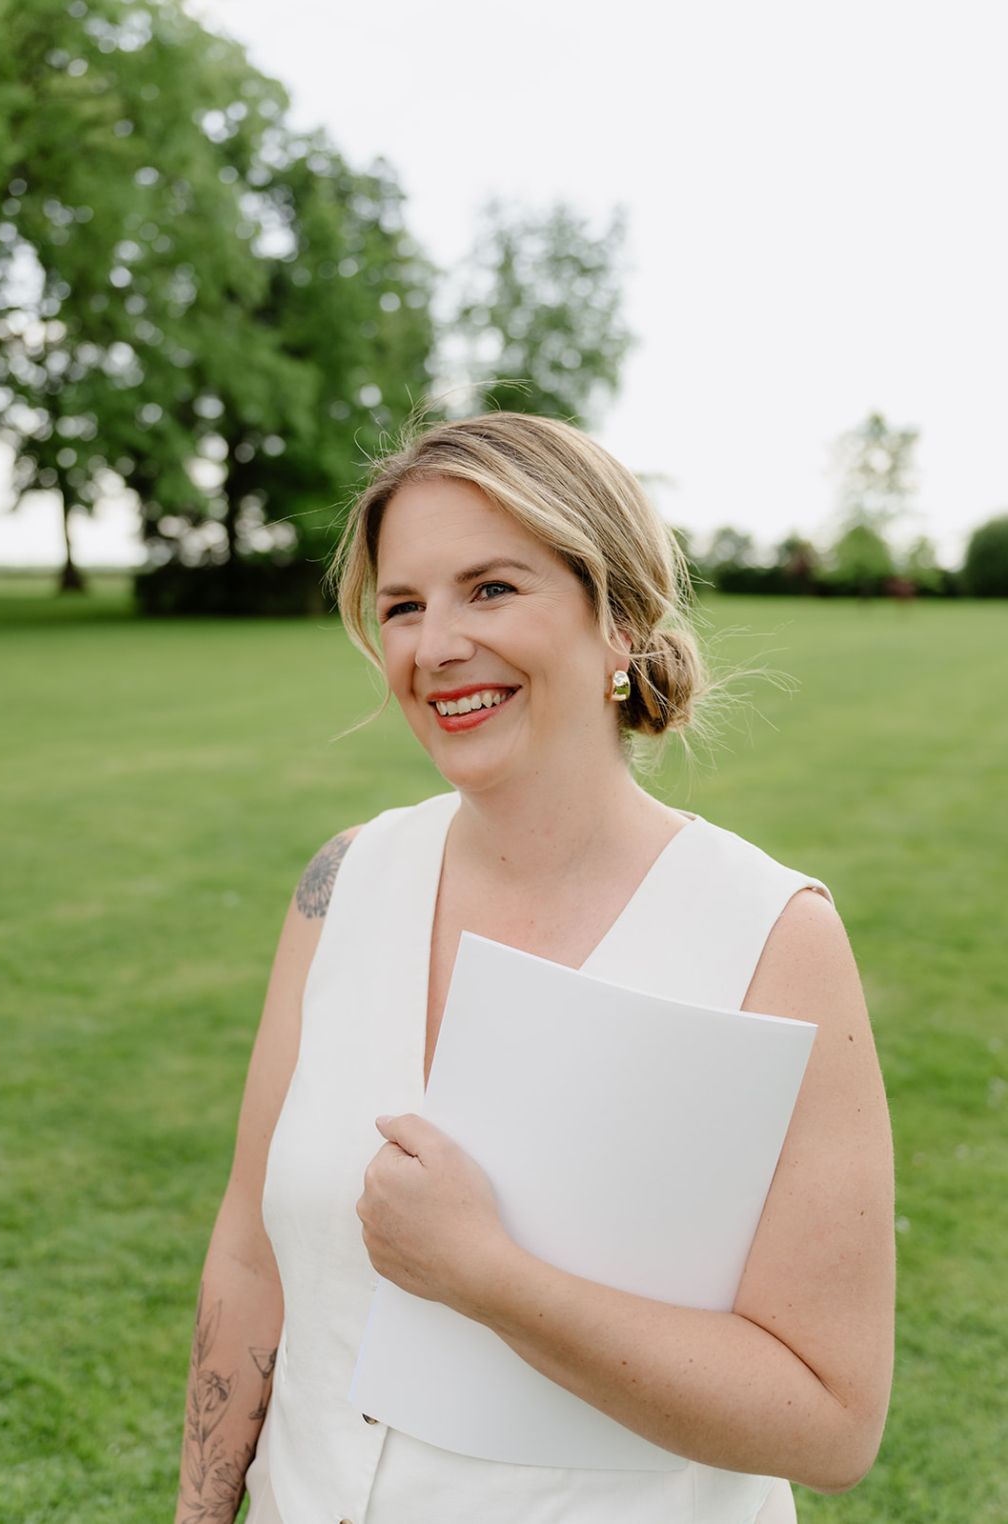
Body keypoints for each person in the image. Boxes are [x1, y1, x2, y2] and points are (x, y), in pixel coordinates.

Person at [172, 411, 895, 1524]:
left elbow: (829, 1420)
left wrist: (491, 1279)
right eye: (403, 605)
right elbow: (248, 1255)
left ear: (620, 619)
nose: (435, 644)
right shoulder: (343, 882)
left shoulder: (769, 934)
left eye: (492, 589)